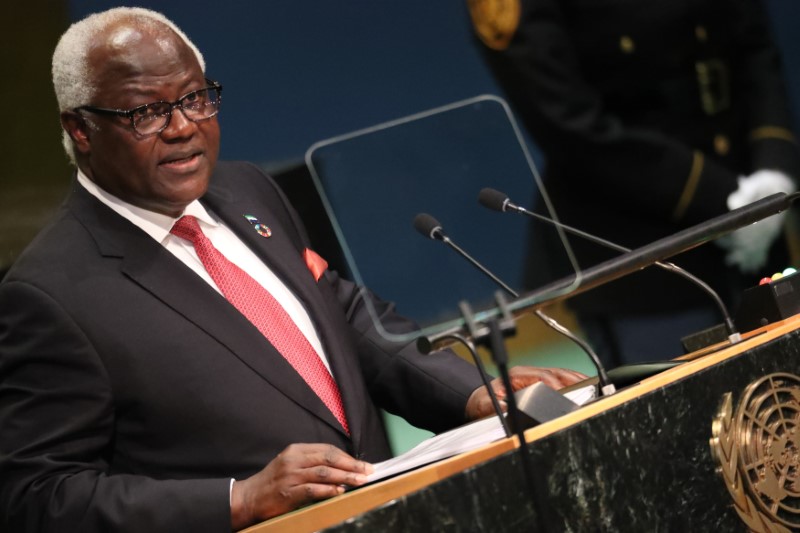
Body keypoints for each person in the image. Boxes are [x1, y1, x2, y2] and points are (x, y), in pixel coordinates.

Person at [0, 7, 585, 532]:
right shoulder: (49, 294)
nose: (182, 128)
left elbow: (347, 319)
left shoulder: (247, 189)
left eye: (195, 99)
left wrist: (474, 393)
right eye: (147, 113)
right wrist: (238, 499)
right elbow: (38, 496)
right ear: (81, 129)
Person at [468, 0, 800, 365]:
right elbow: (568, 123)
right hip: (640, 256)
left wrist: (775, 166)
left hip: (759, 217)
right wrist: (727, 205)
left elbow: (755, 49)